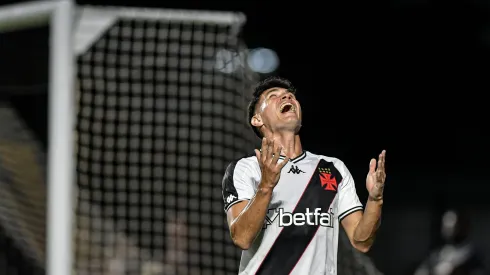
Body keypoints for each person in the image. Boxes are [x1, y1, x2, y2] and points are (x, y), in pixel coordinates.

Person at [221, 76, 386, 275]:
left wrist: (375, 199)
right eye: (274, 96)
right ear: (257, 119)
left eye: (290, 95)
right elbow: (241, 237)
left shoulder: (333, 168)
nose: (287, 97)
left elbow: (362, 241)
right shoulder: (246, 169)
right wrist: (266, 185)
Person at [414, 209, 488, 275]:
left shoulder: (474, 254)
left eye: (454, 225)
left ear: (465, 227)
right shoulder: (437, 255)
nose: (450, 229)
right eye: (446, 225)